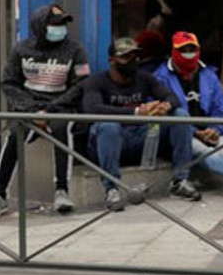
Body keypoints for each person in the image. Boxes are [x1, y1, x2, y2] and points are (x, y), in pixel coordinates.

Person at [0, 4, 90, 219]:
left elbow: (80, 84)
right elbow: (9, 83)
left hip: (59, 107)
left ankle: (62, 191)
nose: (61, 28)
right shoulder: (21, 50)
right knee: (13, 136)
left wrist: (49, 110)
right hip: (28, 107)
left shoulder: (75, 50)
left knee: (61, 130)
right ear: (41, 26)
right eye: (55, 24)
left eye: (63, 24)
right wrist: (32, 110)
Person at [83, 38, 201, 211]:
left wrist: (164, 106)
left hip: (141, 138)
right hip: (109, 142)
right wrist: (137, 112)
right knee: (108, 125)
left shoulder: (145, 78)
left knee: (180, 115)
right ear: (112, 60)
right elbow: (92, 109)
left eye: (136, 56)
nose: (132, 61)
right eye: (126, 57)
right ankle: (112, 189)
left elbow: (172, 97)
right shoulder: (97, 81)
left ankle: (179, 181)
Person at [154, 31, 223, 201]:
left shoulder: (209, 75)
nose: (188, 53)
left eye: (192, 49)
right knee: (202, 151)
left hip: (209, 132)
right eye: (183, 49)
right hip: (180, 136)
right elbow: (163, 114)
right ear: (173, 51)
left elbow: (220, 108)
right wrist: (195, 132)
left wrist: (215, 129)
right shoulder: (160, 77)